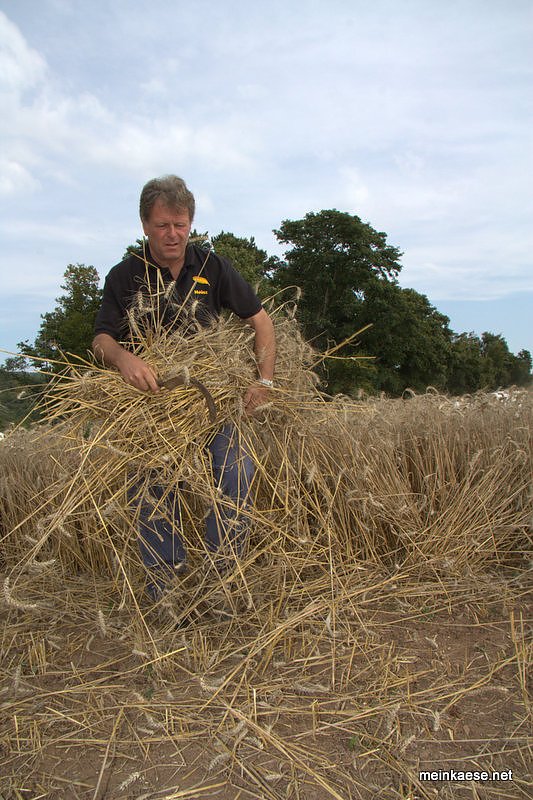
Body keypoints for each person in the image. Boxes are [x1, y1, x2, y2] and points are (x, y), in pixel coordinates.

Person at [92, 175, 276, 599]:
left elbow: (261, 322)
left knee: (236, 470)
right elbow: (101, 340)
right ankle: (165, 593)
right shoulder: (124, 276)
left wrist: (263, 381)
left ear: (190, 222)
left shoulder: (213, 266)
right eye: (162, 225)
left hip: (209, 400)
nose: (173, 234)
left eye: (180, 224)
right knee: (151, 483)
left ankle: (223, 584)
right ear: (144, 225)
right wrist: (124, 359)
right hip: (153, 403)